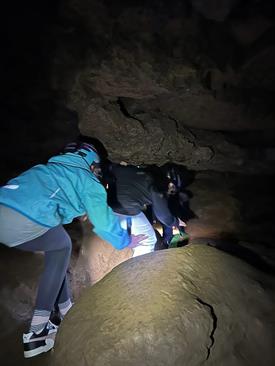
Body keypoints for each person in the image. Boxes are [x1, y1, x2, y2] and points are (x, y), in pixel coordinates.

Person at [0, 141, 145, 358]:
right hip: (25, 218)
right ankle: (38, 332)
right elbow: (104, 222)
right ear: (94, 166)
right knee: (61, 246)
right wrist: (125, 242)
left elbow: (45, 197)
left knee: (57, 250)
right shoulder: (87, 180)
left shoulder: (46, 169)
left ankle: (66, 309)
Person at [102, 161, 186, 257]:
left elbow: (110, 170)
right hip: (127, 211)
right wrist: (175, 222)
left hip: (108, 207)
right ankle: (139, 270)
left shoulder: (134, 171)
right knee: (148, 240)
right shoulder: (158, 187)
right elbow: (163, 216)